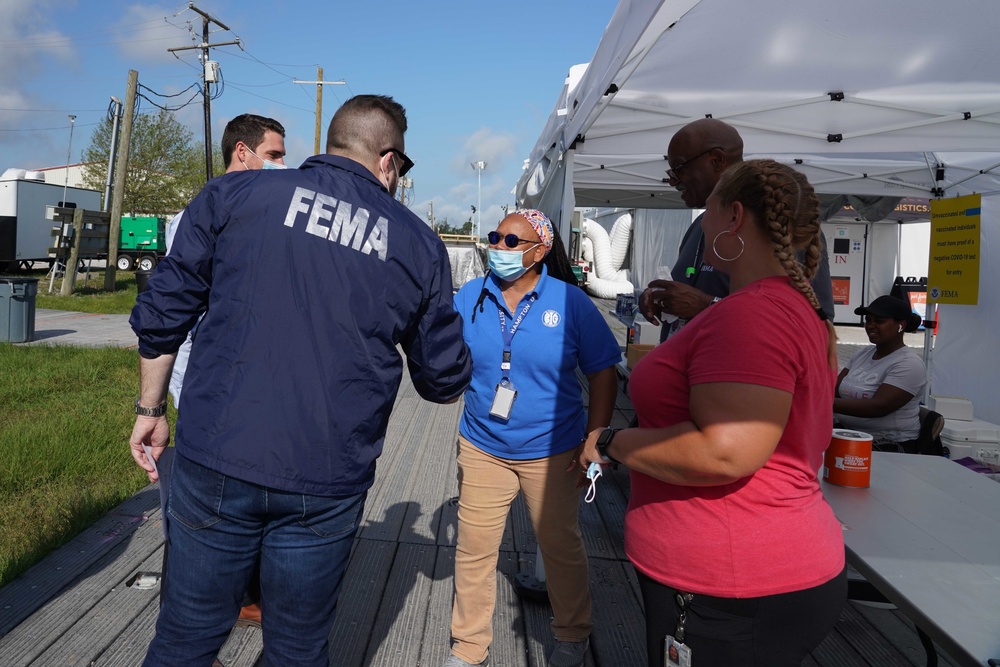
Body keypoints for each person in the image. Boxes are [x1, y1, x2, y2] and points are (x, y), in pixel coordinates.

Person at [128, 94, 472, 667]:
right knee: (298, 649)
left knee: (185, 638)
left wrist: (150, 409)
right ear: (388, 160)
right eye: (403, 167)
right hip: (326, 474)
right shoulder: (417, 243)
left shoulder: (234, 195)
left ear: (332, 144)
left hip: (218, 453)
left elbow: (163, 317)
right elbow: (441, 380)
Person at [579, 159, 847, 667]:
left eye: (709, 210)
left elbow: (724, 452)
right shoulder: (784, 305)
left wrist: (611, 441)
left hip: (731, 581)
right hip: (749, 572)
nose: (701, 222)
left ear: (734, 217)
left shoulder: (754, 314)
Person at [446, 209, 620, 667]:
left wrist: (594, 437)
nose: (497, 248)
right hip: (482, 445)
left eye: (510, 241)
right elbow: (440, 349)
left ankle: (572, 634)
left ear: (540, 251)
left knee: (559, 547)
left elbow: (603, 371)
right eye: (494, 238)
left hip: (553, 451)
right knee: (474, 549)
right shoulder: (471, 295)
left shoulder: (571, 302)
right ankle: (468, 647)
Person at [163, 113, 288, 629]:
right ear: (244, 152)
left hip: (246, 379)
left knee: (243, 489)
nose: (284, 165)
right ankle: (190, 625)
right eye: (276, 155)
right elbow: (180, 309)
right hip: (202, 378)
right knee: (192, 509)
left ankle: (244, 591)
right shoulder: (201, 212)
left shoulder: (270, 213)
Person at [639, 118, 834, 342]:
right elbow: (685, 294)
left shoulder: (779, 223)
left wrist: (707, 306)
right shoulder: (699, 226)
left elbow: (819, 324)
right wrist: (659, 299)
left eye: (679, 168)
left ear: (716, 160)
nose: (672, 180)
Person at [834, 295, 926, 450]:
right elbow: (834, 388)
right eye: (868, 320)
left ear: (900, 326)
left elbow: (878, 407)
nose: (871, 325)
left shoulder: (909, 364)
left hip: (889, 444)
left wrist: (821, 403)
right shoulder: (862, 353)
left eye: (879, 321)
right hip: (849, 434)